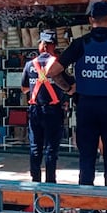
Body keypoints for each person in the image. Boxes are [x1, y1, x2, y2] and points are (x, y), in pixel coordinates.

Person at [47, 1, 107, 187]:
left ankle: (86, 207)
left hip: (87, 106)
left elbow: (52, 71)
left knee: (87, 159)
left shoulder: (80, 44)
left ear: (91, 20)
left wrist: (68, 88)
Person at [20, 30, 74, 183]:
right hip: (53, 111)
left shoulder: (30, 64)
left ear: (42, 45)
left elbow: (24, 88)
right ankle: (50, 182)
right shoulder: (58, 66)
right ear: (53, 46)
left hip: (35, 110)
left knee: (35, 148)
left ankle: (35, 181)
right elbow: (70, 87)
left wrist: (37, 83)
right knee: (51, 149)